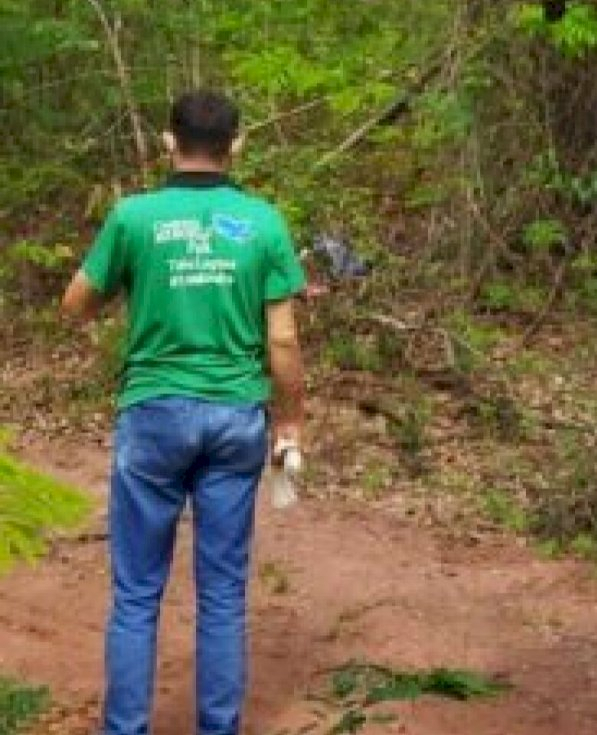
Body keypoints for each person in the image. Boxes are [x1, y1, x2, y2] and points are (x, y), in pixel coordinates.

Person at [60, 90, 306, 735]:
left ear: (167, 141)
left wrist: (135, 293)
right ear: (238, 144)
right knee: (223, 596)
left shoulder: (133, 218)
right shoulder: (264, 222)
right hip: (236, 418)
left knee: (137, 594)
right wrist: (291, 421)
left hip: (154, 414)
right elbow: (282, 340)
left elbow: (75, 304)